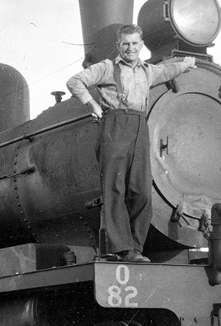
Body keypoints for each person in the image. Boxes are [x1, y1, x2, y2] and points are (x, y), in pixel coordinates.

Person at [66, 24, 196, 262]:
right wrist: (92, 105)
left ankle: (136, 247)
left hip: (139, 127)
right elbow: (75, 81)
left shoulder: (148, 71)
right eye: (126, 43)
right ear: (119, 45)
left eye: (135, 43)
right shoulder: (106, 67)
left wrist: (186, 65)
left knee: (142, 191)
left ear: (141, 45)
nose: (130, 48)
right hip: (114, 127)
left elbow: (168, 72)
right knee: (115, 190)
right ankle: (124, 248)